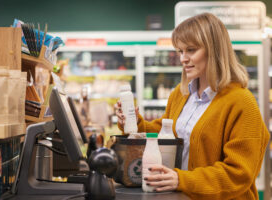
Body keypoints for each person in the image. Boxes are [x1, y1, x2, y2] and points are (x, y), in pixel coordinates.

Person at [114, 13, 270, 200]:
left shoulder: (242, 103)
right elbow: (165, 132)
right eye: (180, 51)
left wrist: (182, 180)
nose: (183, 59)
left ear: (215, 50)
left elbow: (239, 174)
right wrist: (134, 124)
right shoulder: (180, 95)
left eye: (191, 50)